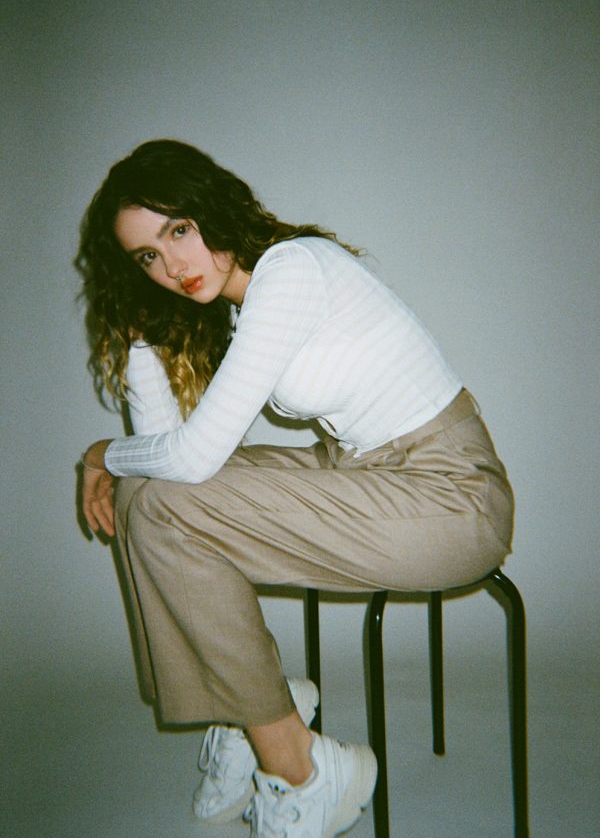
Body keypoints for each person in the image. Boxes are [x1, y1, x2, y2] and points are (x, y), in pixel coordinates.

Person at [77, 139, 514, 838]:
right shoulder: (248, 299)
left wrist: (101, 453)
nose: (172, 266)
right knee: (146, 499)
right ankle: (249, 708)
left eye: (178, 230)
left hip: (449, 497)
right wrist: (140, 339)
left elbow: (191, 457)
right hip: (364, 473)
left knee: (164, 500)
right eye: (147, 257)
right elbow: (169, 463)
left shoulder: (292, 270)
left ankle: (300, 766)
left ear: (211, 208)